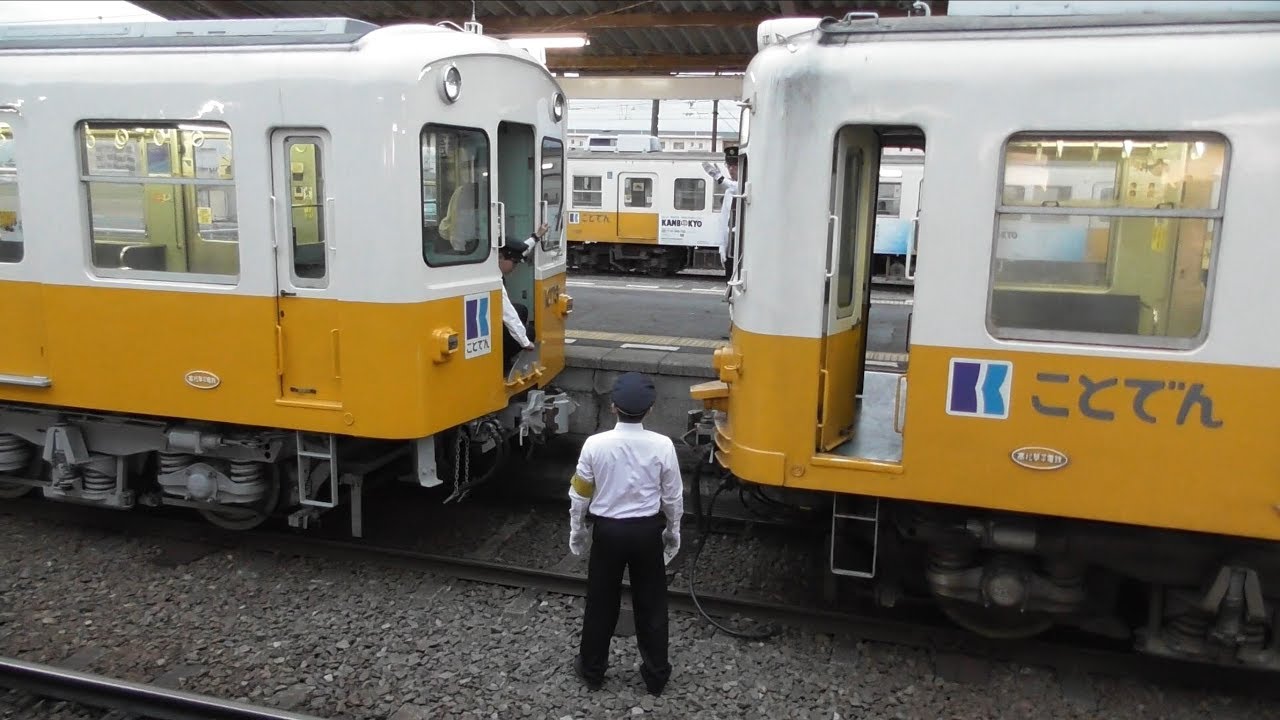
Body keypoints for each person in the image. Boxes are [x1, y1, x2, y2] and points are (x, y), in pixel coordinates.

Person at [568, 372, 684, 696]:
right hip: (647, 532)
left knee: (600, 603)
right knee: (652, 605)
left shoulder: (594, 445)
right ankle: (656, 675)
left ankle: (592, 670)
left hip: (608, 533)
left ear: (613, 407)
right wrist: (673, 533)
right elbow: (673, 497)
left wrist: (577, 531)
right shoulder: (663, 446)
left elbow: (580, 493)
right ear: (650, 410)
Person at [499, 223, 548, 373]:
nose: (515, 267)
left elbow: (521, 251)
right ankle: (502, 362)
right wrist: (525, 342)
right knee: (529, 331)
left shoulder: (495, 261)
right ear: (501, 257)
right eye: (514, 263)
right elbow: (507, 313)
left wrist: (536, 237)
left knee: (521, 309)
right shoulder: (493, 279)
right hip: (493, 319)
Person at [702, 145, 740, 281]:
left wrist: (719, 177)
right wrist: (722, 246)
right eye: (729, 165)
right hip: (730, 245)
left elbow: (738, 187)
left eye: (735, 165)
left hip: (743, 245)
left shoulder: (741, 186)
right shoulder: (729, 191)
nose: (731, 169)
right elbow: (724, 221)